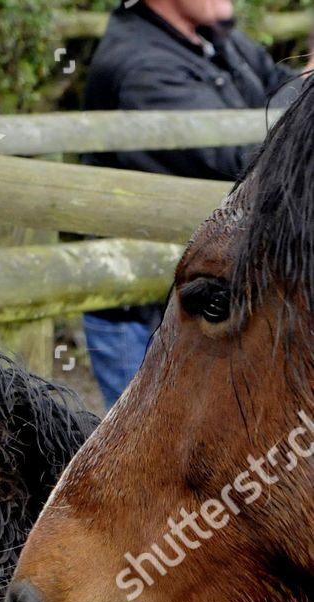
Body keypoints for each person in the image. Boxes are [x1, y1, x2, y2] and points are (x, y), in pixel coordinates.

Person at [81, 0, 309, 408]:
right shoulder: (141, 66)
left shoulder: (215, 38)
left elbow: (277, 85)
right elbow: (242, 160)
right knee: (152, 441)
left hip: (206, 302)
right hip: (148, 318)